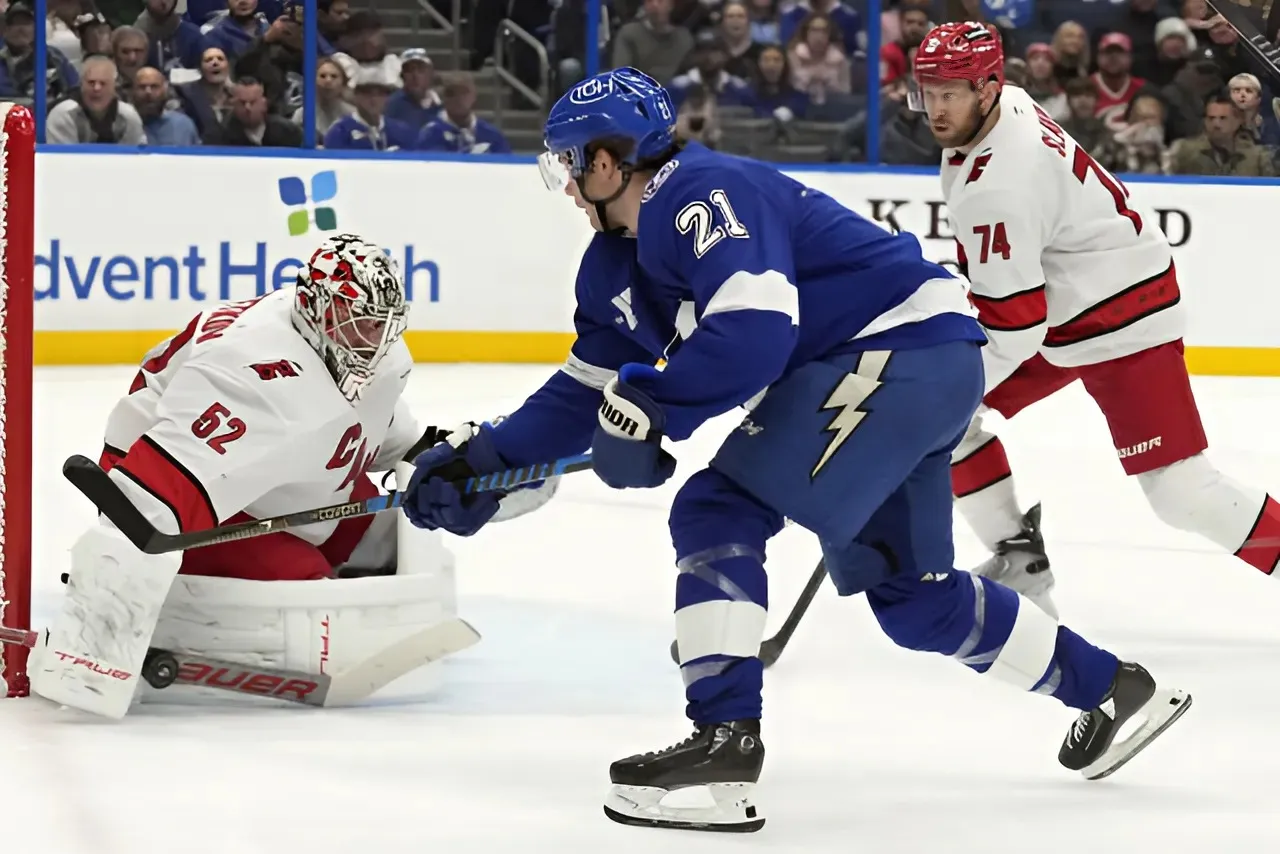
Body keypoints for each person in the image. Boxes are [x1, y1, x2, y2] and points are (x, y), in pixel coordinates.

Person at [401, 68, 1192, 832]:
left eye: (572, 167)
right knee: (914, 598)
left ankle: (723, 746)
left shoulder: (700, 195)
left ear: (608, 161)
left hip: (895, 354)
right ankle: (1113, 689)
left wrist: (656, 410)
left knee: (718, 508)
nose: (569, 188)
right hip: (911, 365)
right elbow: (580, 395)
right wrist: (484, 461)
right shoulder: (616, 261)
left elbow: (754, 332)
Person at [29, 233, 555, 720]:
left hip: (276, 474)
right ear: (320, 313)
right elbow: (146, 503)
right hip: (167, 479)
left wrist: (470, 464)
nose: (377, 338)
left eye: (384, 322)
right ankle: (186, 618)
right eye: (362, 322)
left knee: (368, 533)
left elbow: (375, 434)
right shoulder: (250, 372)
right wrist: (97, 637)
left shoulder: (367, 349)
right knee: (306, 578)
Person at [910, 23, 1280, 619]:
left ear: (988, 87)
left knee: (1181, 492)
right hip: (1073, 305)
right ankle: (1020, 560)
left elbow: (1013, 325)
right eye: (928, 90)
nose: (935, 107)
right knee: (941, 423)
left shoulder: (997, 186)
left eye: (950, 92)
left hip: (1121, 316)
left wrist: (950, 383)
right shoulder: (1008, 105)